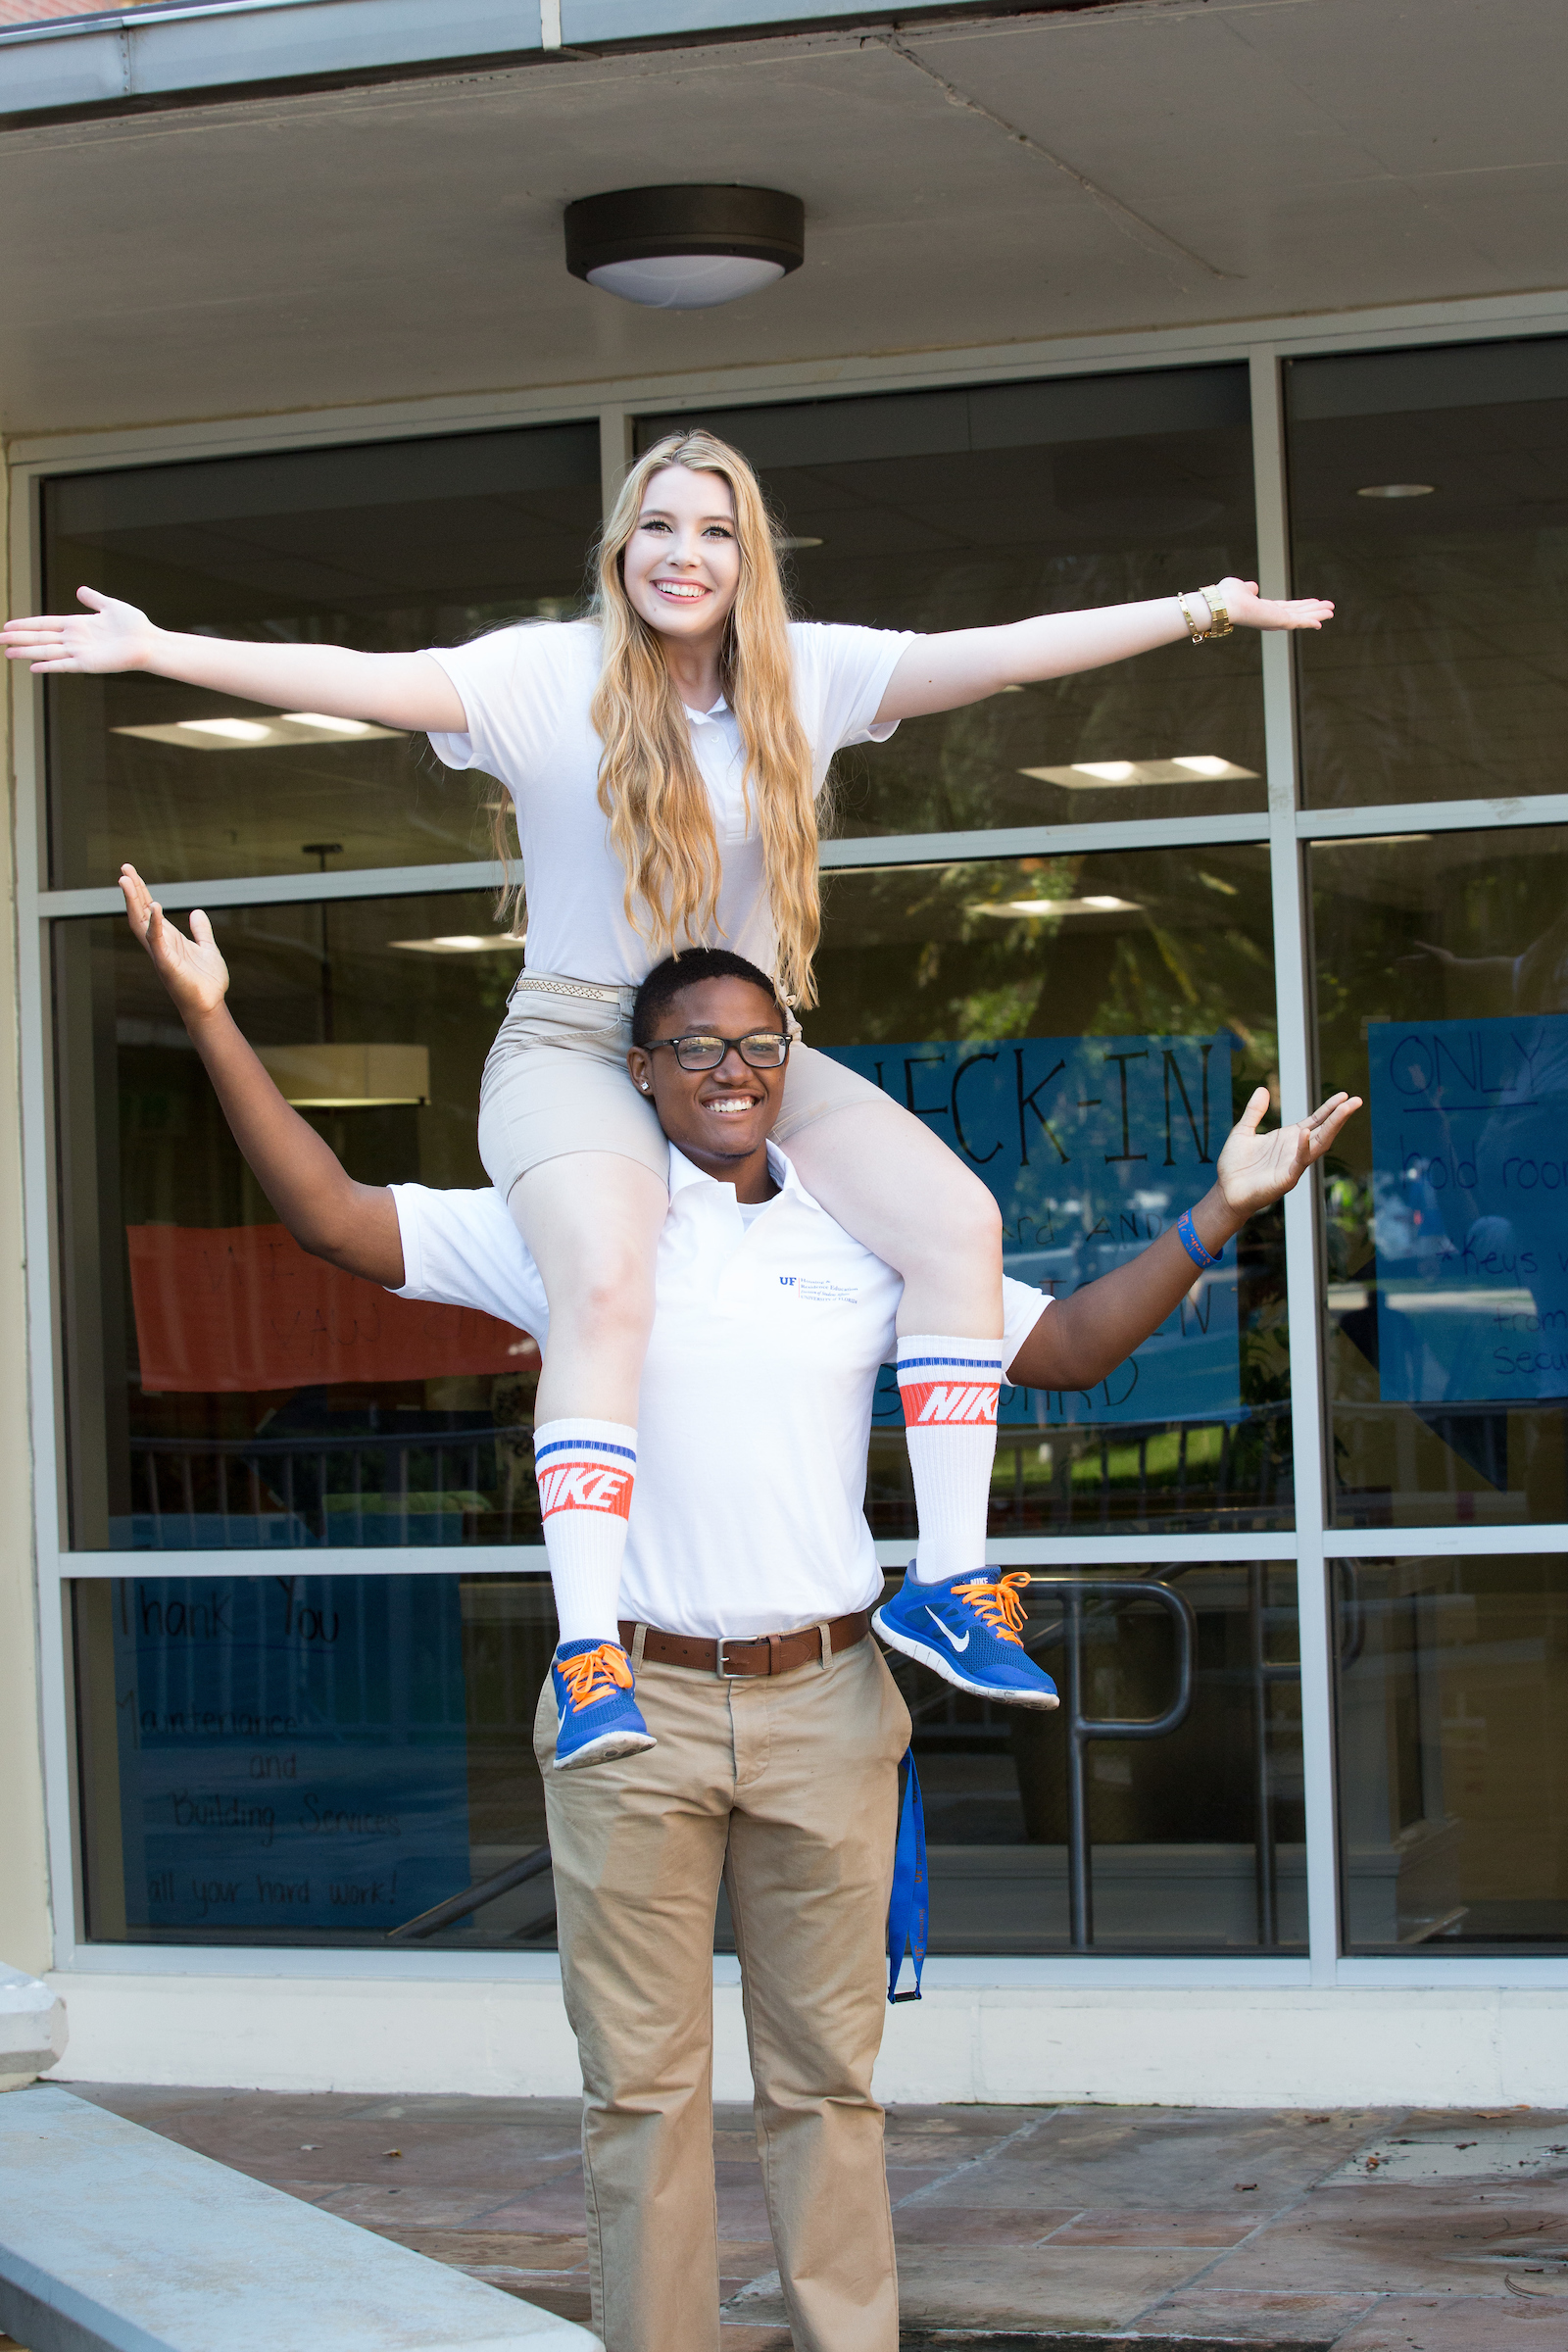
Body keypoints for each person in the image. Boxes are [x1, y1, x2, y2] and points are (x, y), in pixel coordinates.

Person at [122, 866, 1358, 2352]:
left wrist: (1220, 1211)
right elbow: (332, 1218)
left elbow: (1077, 1348)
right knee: (640, 2094)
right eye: (696, 1047)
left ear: (796, 1067)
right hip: (629, 1707)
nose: (732, 1071)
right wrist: (211, 1021)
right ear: (636, 1075)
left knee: (828, 2085)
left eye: (761, 1045)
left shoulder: (864, 1233)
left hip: (825, 1705)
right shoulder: (579, 1228)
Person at [12, 445, 1336, 1759]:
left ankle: (946, 1583)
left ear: (748, 559)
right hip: (579, 1040)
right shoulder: (547, 674)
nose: (683, 551)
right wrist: (157, 650)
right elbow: (368, 683)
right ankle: (592, 1653)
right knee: (605, 1272)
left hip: (748, 1040)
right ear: (620, 550)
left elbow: (1001, 652)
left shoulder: (805, 678)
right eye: (657, 526)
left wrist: (1202, 609)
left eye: (713, 528)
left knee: (960, 1227)